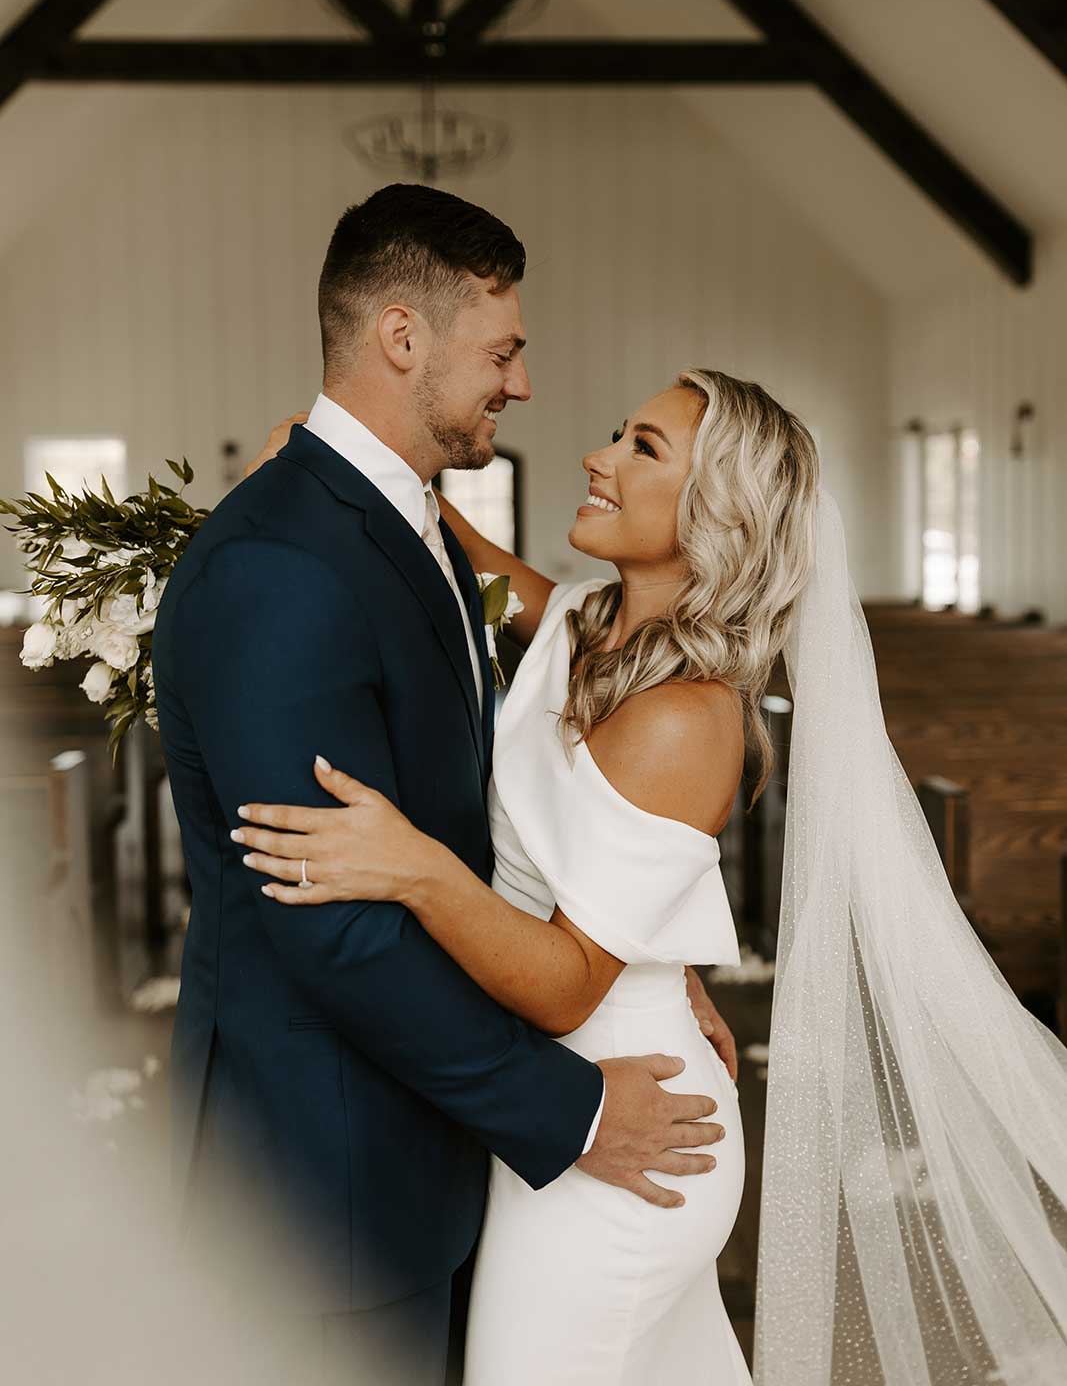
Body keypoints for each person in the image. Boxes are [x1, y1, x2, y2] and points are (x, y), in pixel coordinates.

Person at [151, 185, 728, 1386]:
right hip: (322, 1187)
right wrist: (566, 1109)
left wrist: (648, 957)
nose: (522, 386)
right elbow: (335, 928)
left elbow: (488, 814)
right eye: (502, 351)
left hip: (430, 1144)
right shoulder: (279, 564)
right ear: (402, 338)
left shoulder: (404, 523)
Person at [235, 366, 821, 1382]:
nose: (595, 457)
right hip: (559, 1106)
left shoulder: (686, 713)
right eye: (615, 432)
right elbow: (476, 564)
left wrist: (411, 866)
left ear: (717, 509)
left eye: (642, 447)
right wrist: (343, 455)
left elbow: (562, 986)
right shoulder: (584, 623)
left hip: (631, 1127)